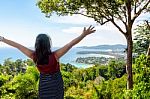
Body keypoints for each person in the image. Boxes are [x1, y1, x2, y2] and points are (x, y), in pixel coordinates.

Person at [0, 25, 96, 99]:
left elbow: (18, 46)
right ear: (48, 44)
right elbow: (70, 44)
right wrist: (83, 35)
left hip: (43, 84)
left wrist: (2, 39)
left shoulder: (34, 56)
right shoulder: (55, 55)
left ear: (36, 44)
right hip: (56, 84)